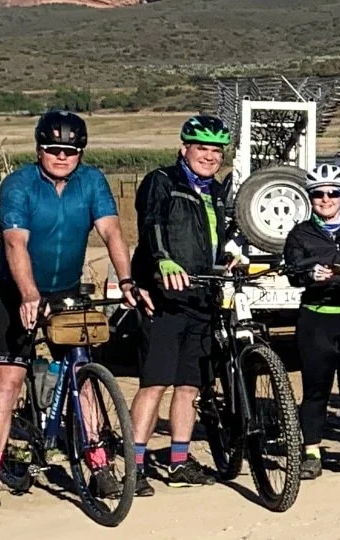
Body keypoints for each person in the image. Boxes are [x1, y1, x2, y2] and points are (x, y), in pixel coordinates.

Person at [0, 111, 140, 511]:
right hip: (20, 292)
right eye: (53, 150)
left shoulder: (91, 181)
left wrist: (127, 280)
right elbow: (15, 243)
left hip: (66, 290)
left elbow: (112, 231)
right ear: (39, 149)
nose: (62, 157)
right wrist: (29, 294)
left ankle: (98, 464)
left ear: (80, 153)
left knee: (84, 376)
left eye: (70, 151)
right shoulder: (19, 185)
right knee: (7, 384)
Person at [128, 114, 238, 492]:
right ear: (184, 149)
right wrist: (161, 260)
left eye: (216, 150)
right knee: (155, 383)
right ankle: (136, 464)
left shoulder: (217, 191)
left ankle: (178, 462)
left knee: (189, 386)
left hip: (202, 297)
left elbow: (218, 237)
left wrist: (229, 257)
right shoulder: (162, 181)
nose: (209, 156)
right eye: (201, 148)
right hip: (165, 297)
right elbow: (151, 225)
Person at [284, 164, 340, 480]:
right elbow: (292, 270)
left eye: (333, 193)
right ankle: (311, 454)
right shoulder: (299, 233)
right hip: (316, 319)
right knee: (316, 390)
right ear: (310, 198)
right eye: (318, 194)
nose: (326, 199)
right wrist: (310, 272)